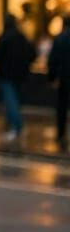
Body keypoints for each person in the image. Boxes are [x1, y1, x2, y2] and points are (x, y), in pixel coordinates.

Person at [0, 12, 35, 145]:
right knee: (15, 100)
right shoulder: (22, 37)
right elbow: (32, 53)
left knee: (10, 102)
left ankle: (17, 127)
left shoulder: (3, 38)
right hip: (20, 75)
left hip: (6, 75)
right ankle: (15, 127)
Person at [48, 20, 70, 153]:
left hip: (64, 79)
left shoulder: (59, 39)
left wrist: (52, 78)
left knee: (62, 108)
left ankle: (61, 134)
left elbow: (53, 60)